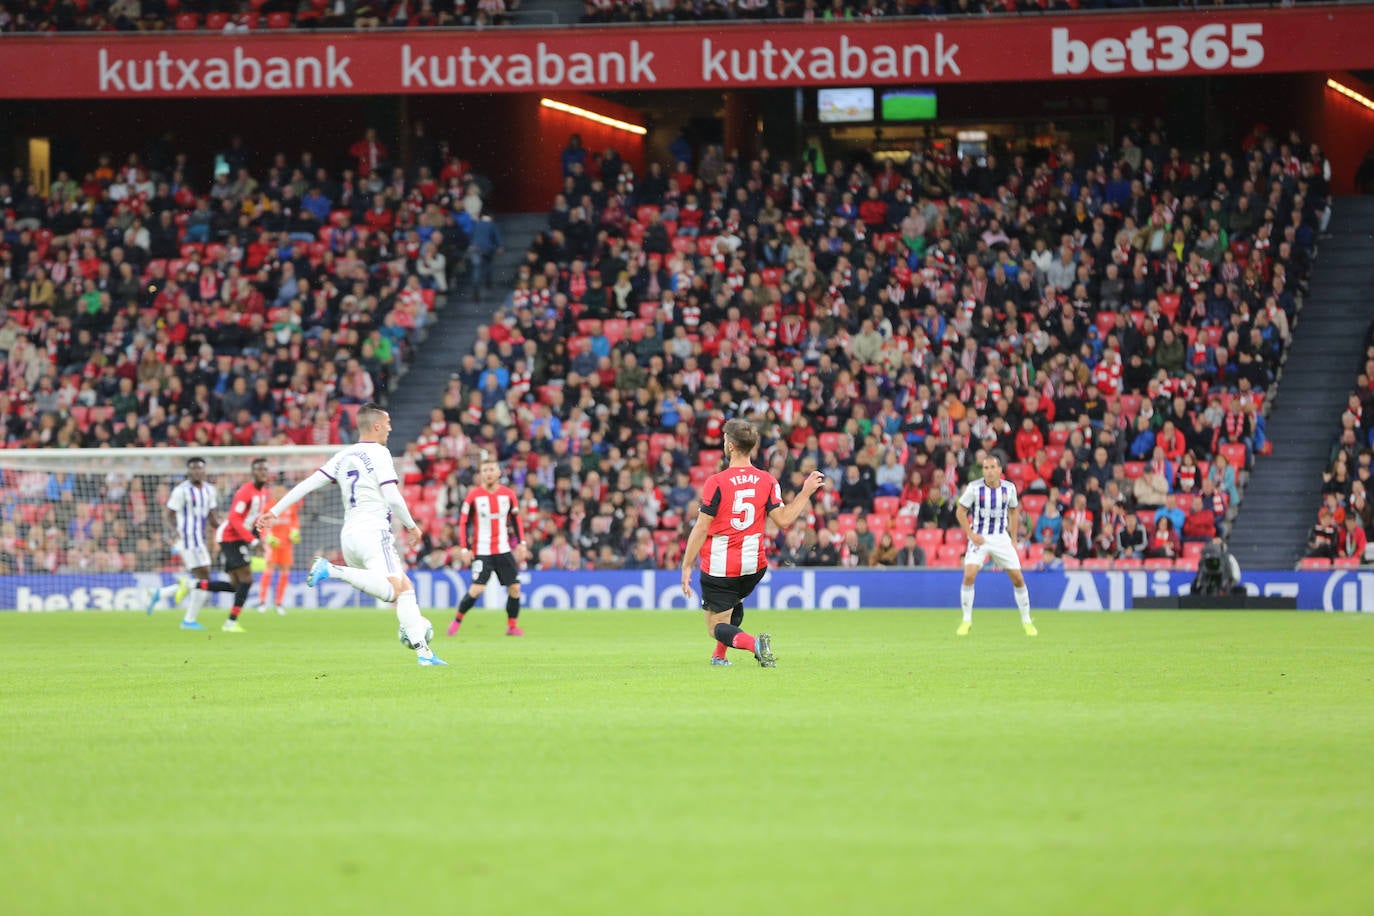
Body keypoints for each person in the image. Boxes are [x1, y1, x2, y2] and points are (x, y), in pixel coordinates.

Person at [255, 403, 445, 666]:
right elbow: (392, 497)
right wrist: (412, 525)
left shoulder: (344, 455)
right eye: (388, 423)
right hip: (373, 532)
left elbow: (309, 483)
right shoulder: (379, 453)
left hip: (350, 536)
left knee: (404, 589)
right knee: (395, 591)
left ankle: (424, 654)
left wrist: (274, 511)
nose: (390, 428)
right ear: (377, 425)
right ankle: (332, 570)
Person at [680, 419, 826, 667]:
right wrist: (805, 492)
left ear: (732, 446)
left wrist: (686, 566)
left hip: (720, 567)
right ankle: (719, 656)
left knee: (716, 627)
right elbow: (783, 520)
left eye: (725, 439)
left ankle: (754, 645)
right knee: (734, 604)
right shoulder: (767, 480)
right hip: (754, 566)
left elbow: (702, 527)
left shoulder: (716, 482)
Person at [954, 455, 1035, 636]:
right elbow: (960, 511)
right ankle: (966, 620)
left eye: (992, 467)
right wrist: (971, 534)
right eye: (986, 468)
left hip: (1000, 537)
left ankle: (1027, 621)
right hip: (980, 537)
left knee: (1018, 578)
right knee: (969, 574)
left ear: (999, 470)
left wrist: (1013, 539)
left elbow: (1014, 512)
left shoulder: (1009, 488)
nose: (989, 471)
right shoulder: (974, 488)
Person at [448, 456, 528, 637]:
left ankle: (511, 626)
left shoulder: (508, 495)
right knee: (477, 589)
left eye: (491, 470)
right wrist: (464, 548)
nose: (488, 474)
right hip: (482, 550)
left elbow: (516, 520)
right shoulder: (473, 496)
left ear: (499, 472)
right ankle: (457, 620)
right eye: (485, 470)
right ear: (481, 474)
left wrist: (522, 543)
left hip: (503, 549)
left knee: (514, 588)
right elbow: (463, 523)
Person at [191, 458, 271, 633]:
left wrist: (258, 537)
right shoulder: (245, 492)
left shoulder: (263, 492)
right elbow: (234, 519)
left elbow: (253, 519)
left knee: (235, 585)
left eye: (265, 469)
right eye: (259, 469)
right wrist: (253, 541)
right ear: (253, 472)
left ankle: (191, 585)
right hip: (229, 537)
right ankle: (230, 622)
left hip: (239, 538)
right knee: (247, 579)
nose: (263, 472)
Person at [145, 456, 219, 630]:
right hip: (186, 539)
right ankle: (188, 620)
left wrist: (224, 529)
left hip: (200, 540)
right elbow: (169, 514)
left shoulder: (210, 490)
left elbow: (212, 517)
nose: (197, 471)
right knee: (204, 578)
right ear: (188, 471)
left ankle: (162, 593)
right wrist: (173, 530)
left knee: (202, 579)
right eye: (193, 468)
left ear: (204, 470)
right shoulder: (181, 490)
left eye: (200, 468)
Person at [257, 483, 300, 616]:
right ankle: (262, 602)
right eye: (276, 490)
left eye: (282, 490)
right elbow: (262, 525)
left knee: (285, 571)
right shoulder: (268, 506)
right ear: (272, 491)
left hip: (286, 545)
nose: (279, 493)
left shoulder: (290, 506)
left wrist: (294, 532)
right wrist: (267, 537)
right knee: (269, 569)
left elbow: (294, 522)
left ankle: (279, 603)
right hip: (273, 544)